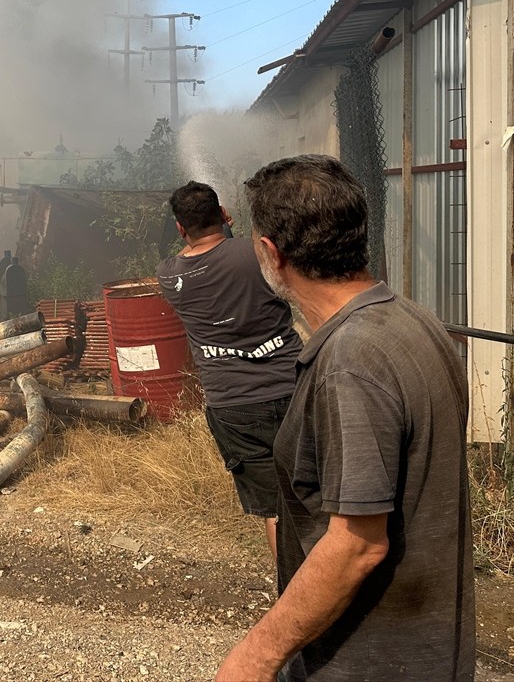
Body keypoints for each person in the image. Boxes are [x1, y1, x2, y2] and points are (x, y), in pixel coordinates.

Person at [217, 155, 474, 681]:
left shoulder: (351, 362)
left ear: (271, 253)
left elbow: (356, 543)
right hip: (425, 653)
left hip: (370, 664)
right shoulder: (411, 318)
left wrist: (256, 656)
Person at [157, 182, 300, 561]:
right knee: (319, 497)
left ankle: (293, 593)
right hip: (293, 389)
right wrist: (233, 233)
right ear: (222, 214)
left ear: (180, 228)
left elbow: (205, 263)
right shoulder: (257, 252)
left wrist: (216, 234)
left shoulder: (169, 275)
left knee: (276, 510)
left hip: (233, 407)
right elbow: (241, 264)